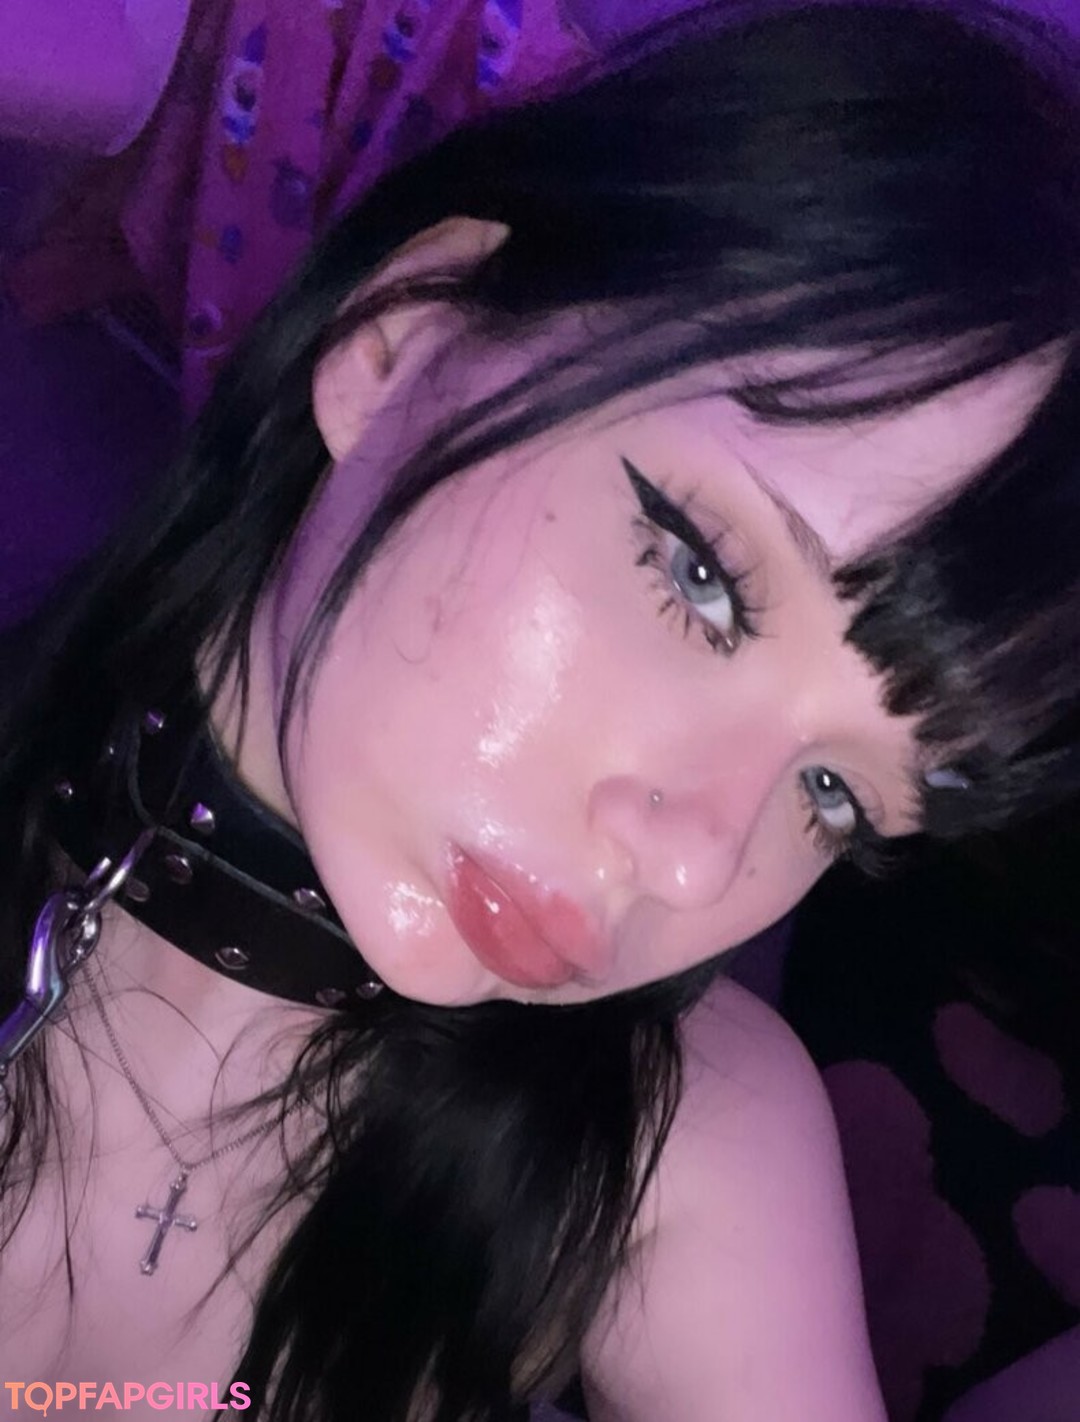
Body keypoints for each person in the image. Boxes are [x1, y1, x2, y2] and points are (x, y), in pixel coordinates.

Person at [0, 1, 1077, 1419]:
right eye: (702, 577)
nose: (695, 862)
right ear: (400, 345)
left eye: (837, 791)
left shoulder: (684, 1158)